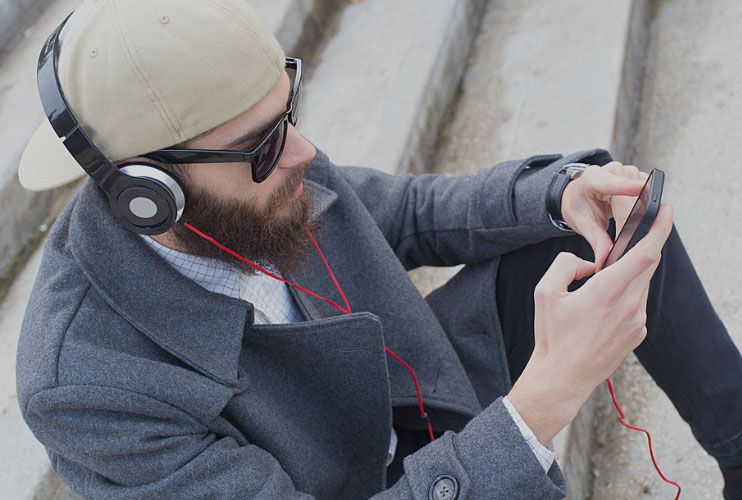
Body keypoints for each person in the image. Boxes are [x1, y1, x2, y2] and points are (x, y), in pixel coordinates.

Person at [14, 1, 741, 498]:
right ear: (148, 194)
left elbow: (412, 211)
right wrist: (543, 400)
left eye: (288, 113)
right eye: (261, 145)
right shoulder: (88, 387)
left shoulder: (269, 169)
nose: (302, 152)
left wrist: (557, 192)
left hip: (418, 402)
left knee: (608, 221)